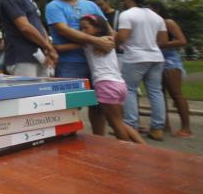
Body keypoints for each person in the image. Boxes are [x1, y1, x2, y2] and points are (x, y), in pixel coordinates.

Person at [54, 14, 145, 144]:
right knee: (119, 121)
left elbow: (60, 48)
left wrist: (51, 45)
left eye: (85, 28)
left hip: (105, 84)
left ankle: (126, 151)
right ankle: (143, 146)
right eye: (80, 28)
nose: (82, 32)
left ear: (97, 28)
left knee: (116, 124)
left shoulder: (89, 43)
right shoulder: (109, 40)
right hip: (119, 84)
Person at [45, 0, 115, 134]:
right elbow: (64, 30)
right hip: (70, 64)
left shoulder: (91, 5)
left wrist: (110, 41)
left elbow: (108, 28)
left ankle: (99, 139)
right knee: (70, 105)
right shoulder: (53, 6)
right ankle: (67, 139)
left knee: (99, 104)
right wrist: (96, 41)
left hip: (97, 63)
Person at [116, 0, 168, 141]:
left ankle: (131, 126)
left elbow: (122, 37)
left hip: (135, 58)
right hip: (156, 57)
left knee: (129, 90)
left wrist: (116, 40)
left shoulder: (127, 15)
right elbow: (164, 40)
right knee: (155, 92)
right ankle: (157, 128)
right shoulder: (156, 17)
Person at [0, 0, 58, 77]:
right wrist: (49, 47)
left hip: (38, 57)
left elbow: (38, 25)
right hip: (22, 58)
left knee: (45, 94)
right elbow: (25, 27)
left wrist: (47, 49)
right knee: (28, 94)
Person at [149, 1, 192, 138]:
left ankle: (186, 128)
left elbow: (182, 40)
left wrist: (164, 43)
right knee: (159, 94)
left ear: (157, 9)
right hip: (156, 60)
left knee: (176, 93)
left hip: (170, 61)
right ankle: (163, 124)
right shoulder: (153, 24)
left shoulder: (168, 22)